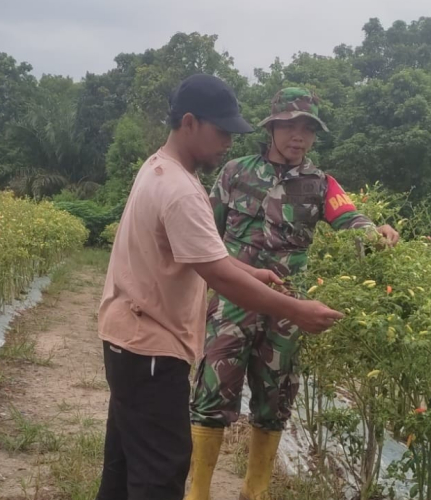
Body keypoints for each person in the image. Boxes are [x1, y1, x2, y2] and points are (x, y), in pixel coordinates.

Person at [95, 76, 344, 500]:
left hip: (127, 341)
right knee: (160, 471)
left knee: (123, 467)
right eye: (222, 131)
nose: (228, 141)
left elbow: (205, 256)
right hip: (152, 349)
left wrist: (253, 273)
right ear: (189, 122)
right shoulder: (185, 190)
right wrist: (297, 311)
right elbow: (218, 275)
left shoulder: (159, 169)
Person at [186, 87, 400, 500]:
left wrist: (378, 233)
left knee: (274, 398)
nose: (297, 136)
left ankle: (256, 492)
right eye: (288, 126)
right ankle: (198, 492)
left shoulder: (320, 184)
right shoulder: (235, 172)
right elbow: (204, 232)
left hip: (288, 307)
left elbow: (349, 217)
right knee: (212, 391)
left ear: (315, 135)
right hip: (232, 301)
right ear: (271, 129)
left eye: (307, 128)